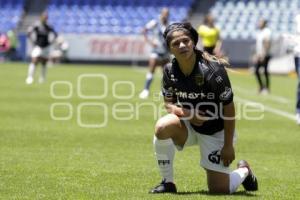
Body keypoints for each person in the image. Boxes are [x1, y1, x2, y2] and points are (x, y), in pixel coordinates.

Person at [149, 22, 258, 194]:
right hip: (189, 126)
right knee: (162, 127)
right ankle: (167, 182)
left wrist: (228, 145)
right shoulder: (169, 70)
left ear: (193, 42)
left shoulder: (213, 70)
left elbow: (229, 108)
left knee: (219, 190)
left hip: (215, 131)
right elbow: (168, 104)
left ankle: (244, 170)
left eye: (186, 40)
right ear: (170, 49)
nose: (182, 45)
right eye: (176, 43)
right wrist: (187, 113)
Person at [139, 8, 170, 99]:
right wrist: (149, 42)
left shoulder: (169, 24)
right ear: (161, 13)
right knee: (151, 69)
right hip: (155, 51)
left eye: (167, 14)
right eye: (164, 13)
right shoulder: (155, 22)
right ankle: (146, 90)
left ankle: (164, 90)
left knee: (165, 73)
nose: (165, 15)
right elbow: (144, 30)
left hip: (165, 51)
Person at [25, 11, 57, 84]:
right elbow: (29, 32)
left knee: (44, 63)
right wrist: (33, 42)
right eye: (43, 17)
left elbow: (55, 35)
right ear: (41, 17)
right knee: (34, 60)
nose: (44, 19)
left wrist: (50, 43)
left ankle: (42, 78)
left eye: (46, 17)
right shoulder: (37, 25)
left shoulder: (48, 26)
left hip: (46, 47)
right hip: (38, 46)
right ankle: (30, 77)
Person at [254, 19, 272, 94]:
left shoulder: (267, 31)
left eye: (260, 22)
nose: (259, 23)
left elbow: (267, 43)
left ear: (264, 23)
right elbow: (258, 45)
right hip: (259, 54)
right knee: (256, 71)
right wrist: (256, 54)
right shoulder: (259, 32)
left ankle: (266, 88)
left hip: (265, 54)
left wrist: (263, 54)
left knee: (265, 71)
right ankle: (262, 87)